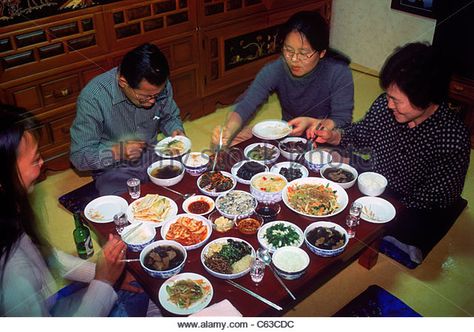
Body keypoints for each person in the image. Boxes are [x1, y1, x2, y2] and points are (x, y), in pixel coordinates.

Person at [306, 42, 470, 265]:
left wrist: (393, 207)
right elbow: (361, 133)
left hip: (416, 202)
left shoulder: (452, 135)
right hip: (377, 181)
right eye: (388, 96)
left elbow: (443, 194)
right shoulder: (384, 106)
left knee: (410, 229)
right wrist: (334, 136)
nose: (389, 104)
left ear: (426, 96)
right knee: (330, 191)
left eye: (396, 100)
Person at [0, 104, 161, 316]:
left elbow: (47, 256)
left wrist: (103, 273)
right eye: (35, 159)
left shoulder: (11, 213)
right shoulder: (12, 275)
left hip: (48, 301)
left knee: (140, 284)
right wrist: (104, 281)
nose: (42, 163)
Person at [212, 10, 354, 147]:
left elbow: (343, 120)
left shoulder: (338, 73)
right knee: (237, 137)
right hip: (287, 136)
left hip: (322, 140)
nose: (293, 59)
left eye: (303, 53)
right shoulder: (278, 68)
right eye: (288, 50)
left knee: (344, 161)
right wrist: (228, 129)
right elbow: (247, 103)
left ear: (322, 52)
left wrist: (316, 125)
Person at [70, 43, 185, 195]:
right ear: (123, 83)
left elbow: (169, 117)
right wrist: (118, 152)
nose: (152, 101)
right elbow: (79, 157)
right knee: (122, 205)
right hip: (115, 168)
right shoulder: (93, 98)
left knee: (190, 177)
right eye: (146, 97)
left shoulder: (157, 86)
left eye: (156, 96)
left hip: (154, 154)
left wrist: (176, 131)